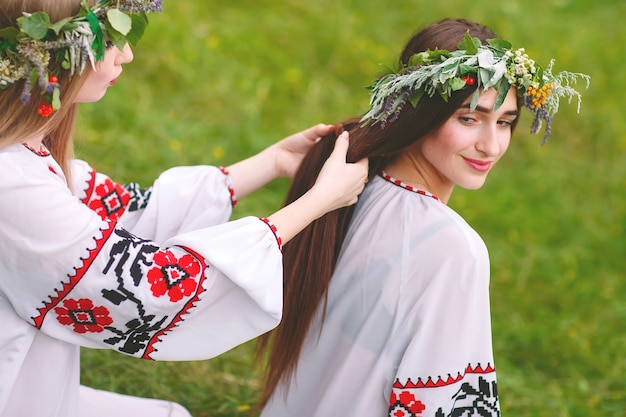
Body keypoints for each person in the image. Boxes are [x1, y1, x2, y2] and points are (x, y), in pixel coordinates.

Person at [0, 1, 368, 416]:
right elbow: (155, 286)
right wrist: (316, 203)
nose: (128, 54)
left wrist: (273, 162)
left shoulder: (22, 156)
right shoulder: (13, 186)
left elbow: (123, 217)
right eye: (109, 39)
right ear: (52, 51)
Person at [256, 18, 589, 417]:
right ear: (422, 114)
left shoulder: (354, 184)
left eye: (504, 122)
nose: (491, 146)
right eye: (469, 119)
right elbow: (438, 403)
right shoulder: (454, 249)